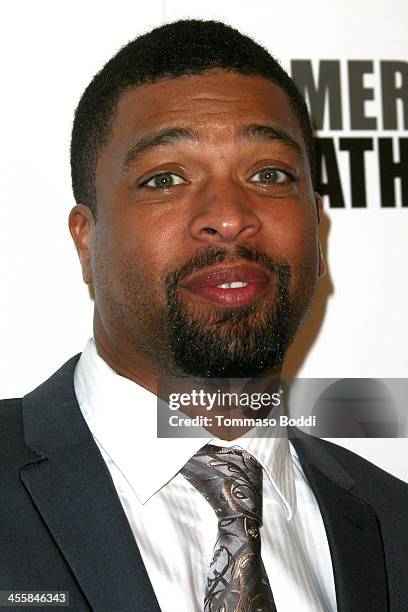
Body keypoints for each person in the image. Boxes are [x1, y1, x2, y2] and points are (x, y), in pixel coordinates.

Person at [0, 19, 406, 612]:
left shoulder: (393, 524)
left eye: (270, 174)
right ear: (86, 241)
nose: (229, 215)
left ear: (317, 228)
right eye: (166, 178)